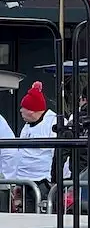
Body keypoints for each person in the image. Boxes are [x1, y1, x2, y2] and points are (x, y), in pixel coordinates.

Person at [4, 82, 57, 213]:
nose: (20, 110)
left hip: (43, 182)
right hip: (26, 181)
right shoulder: (27, 126)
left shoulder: (52, 123)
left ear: (32, 111)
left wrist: (54, 179)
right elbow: (21, 153)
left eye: (24, 108)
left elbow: (59, 154)